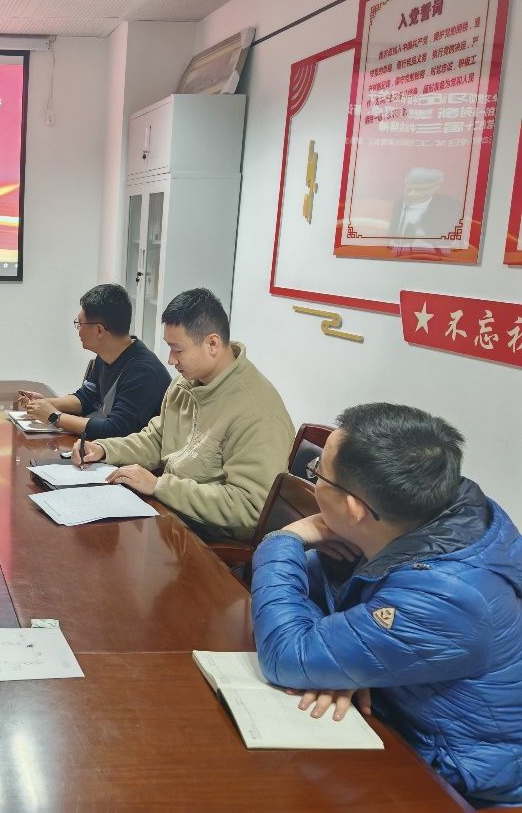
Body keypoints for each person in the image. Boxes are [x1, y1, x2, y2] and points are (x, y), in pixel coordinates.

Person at [250, 403, 522, 806]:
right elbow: (311, 590)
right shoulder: (418, 517)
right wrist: (347, 658)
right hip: (395, 722)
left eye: (318, 473)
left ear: (355, 509)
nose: (313, 481)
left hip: (454, 779)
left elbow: (287, 655)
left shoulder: (447, 597)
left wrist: (282, 540)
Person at [73, 288, 293, 542]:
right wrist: (104, 449)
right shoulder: (186, 383)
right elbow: (157, 438)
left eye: (177, 350)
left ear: (212, 344)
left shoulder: (257, 414)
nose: (170, 360)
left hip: (208, 539)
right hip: (169, 513)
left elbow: (249, 506)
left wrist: (160, 486)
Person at [15, 284, 169, 439]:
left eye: (80, 324)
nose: (78, 330)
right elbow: (86, 399)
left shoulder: (143, 372)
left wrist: (55, 417)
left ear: (99, 330)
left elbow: (116, 430)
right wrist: (44, 403)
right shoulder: (106, 355)